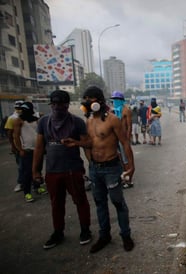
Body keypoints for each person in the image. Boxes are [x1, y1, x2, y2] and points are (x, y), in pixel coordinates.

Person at [32, 90, 92, 250]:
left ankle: (85, 230)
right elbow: (39, 148)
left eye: (61, 104)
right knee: (56, 204)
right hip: (52, 171)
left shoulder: (77, 122)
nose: (58, 107)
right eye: (55, 104)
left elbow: (88, 144)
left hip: (73, 169)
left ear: (67, 105)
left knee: (80, 201)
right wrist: (36, 171)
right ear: (51, 104)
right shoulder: (44, 122)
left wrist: (78, 146)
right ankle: (58, 232)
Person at [81, 86, 135, 253]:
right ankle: (105, 236)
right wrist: (81, 148)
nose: (87, 103)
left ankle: (126, 235)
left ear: (99, 101)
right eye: (86, 99)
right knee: (99, 204)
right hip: (95, 169)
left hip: (111, 168)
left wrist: (131, 167)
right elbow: (90, 143)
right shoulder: (89, 121)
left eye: (90, 99)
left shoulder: (112, 120)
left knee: (118, 203)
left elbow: (125, 143)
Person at [13, 102, 47, 203]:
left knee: (37, 169)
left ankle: (37, 187)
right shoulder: (18, 121)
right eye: (22, 110)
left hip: (37, 150)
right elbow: (16, 136)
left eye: (25, 110)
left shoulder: (36, 120)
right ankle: (27, 193)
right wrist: (20, 150)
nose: (23, 112)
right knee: (27, 173)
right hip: (27, 151)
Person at [110, 91, 133, 187]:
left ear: (121, 100)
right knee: (119, 159)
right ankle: (124, 177)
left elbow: (129, 126)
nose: (114, 101)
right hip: (115, 138)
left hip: (124, 138)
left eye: (116, 99)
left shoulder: (126, 110)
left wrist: (127, 140)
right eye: (113, 100)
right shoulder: (113, 111)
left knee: (126, 159)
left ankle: (129, 180)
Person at [5, 100, 24, 192]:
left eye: (20, 108)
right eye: (17, 108)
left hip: (28, 145)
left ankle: (33, 182)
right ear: (15, 108)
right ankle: (20, 182)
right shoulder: (11, 118)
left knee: (31, 165)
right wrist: (13, 146)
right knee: (21, 165)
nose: (18, 110)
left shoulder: (27, 117)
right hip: (18, 146)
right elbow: (9, 133)